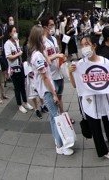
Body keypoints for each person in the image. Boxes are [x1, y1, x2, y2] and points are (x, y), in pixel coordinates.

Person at [68, 36, 109, 161]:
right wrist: (70, 72)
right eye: (82, 45)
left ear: (94, 45)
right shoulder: (80, 65)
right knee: (95, 126)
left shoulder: (105, 62)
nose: (84, 47)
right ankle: (103, 151)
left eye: (87, 44)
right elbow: (75, 85)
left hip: (105, 99)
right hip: (90, 102)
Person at [28, 25, 74, 156]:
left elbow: (48, 61)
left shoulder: (39, 52)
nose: (45, 38)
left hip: (48, 88)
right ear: (38, 38)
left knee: (54, 117)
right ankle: (60, 146)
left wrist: (54, 55)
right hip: (47, 90)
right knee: (55, 118)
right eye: (42, 36)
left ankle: (58, 142)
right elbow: (45, 77)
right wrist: (54, 94)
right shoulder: (37, 56)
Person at [41, 15, 68, 116]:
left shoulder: (54, 39)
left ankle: (63, 115)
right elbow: (45, 59)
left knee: (60, 96)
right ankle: (58, 119)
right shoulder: (42, 42)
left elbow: (57, 53)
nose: (53, 27)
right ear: (45, 27)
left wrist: (62, 57)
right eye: (51, 25)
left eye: (53, 25)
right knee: (54, 99)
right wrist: (56, 55)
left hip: (59, 73)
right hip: (51, 76)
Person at [4, 25, 33, 113]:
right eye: (14, 31)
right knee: (17, 87)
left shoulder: (16, 42)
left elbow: (19, 51)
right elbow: (9, 57)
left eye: (16, 31)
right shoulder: (7, 44)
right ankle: (19, 105)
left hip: (20, 66)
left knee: (22, 86)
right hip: (13, 68)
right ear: (10, 33)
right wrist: (19, 54)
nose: (15, 33)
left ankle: (25, 102)